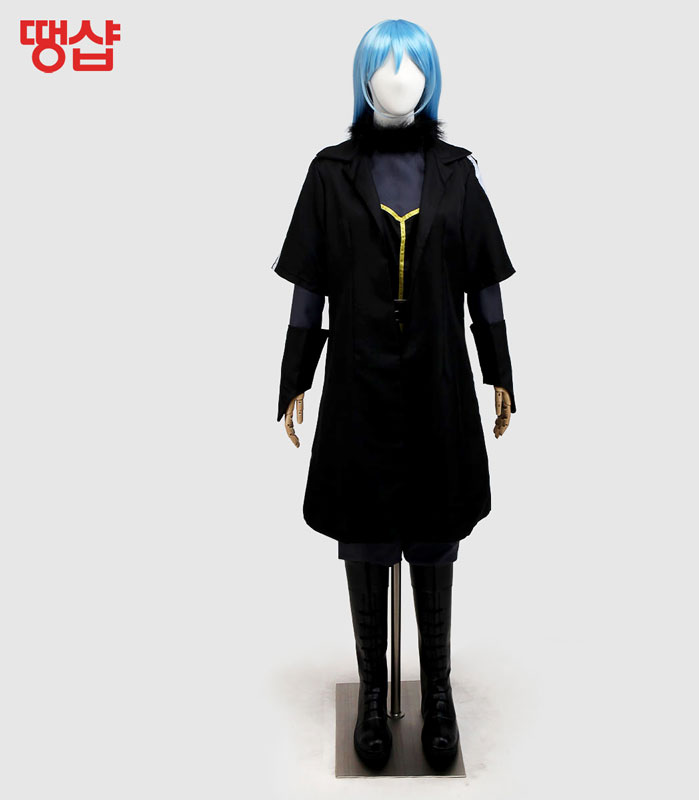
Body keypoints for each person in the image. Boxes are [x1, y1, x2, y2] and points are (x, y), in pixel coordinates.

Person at [273, 19, 517, 769]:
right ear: (364, 77)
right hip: (359, 382)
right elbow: (309, 289)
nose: (400, 77)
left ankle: (437, 693)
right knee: (365, 531)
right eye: (386, 65)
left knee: (436, 531)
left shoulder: (456, 173)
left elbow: (483, 283)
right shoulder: (330, 173)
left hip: (438, 380)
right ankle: (374, 695)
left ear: (430, 77)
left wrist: (501, 371)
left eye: (414, 65)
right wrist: (294, 379)